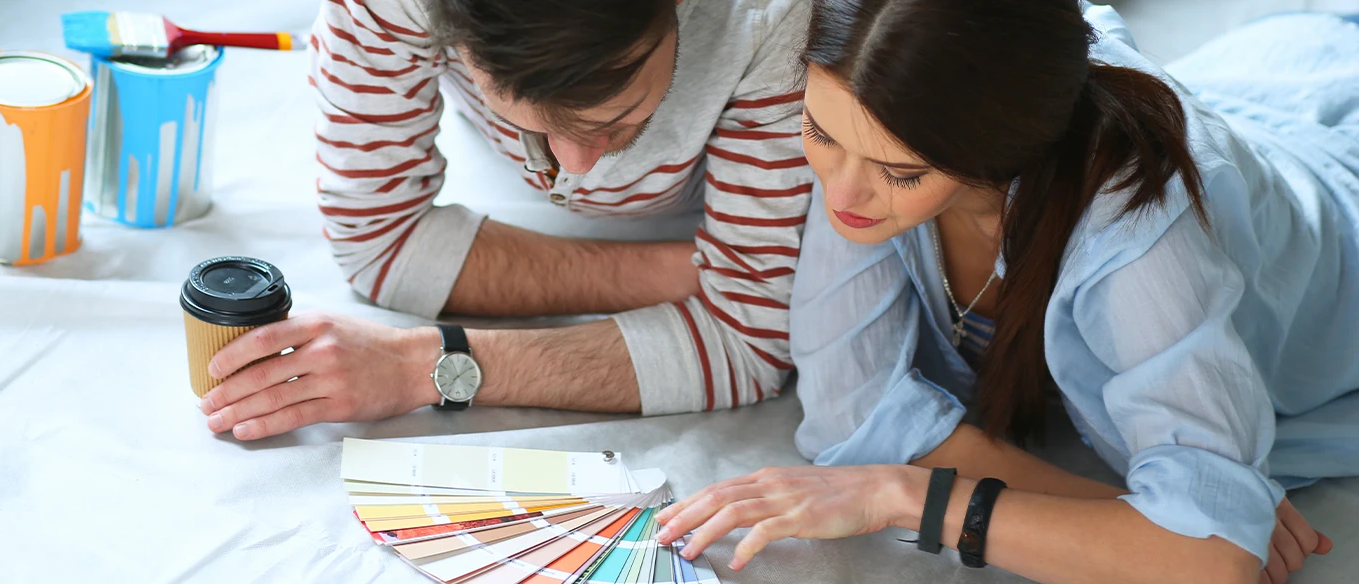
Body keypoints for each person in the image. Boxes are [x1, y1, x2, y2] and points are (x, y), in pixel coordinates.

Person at [653, 2, 1359, 583]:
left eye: (901, 174)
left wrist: (907, 495)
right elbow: (853, 416)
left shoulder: (1140, 221)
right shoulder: (872, 114)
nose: (840, 193)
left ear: (1005, 146)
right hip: (1255, 97)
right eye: (817, 132)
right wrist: (1146, 522)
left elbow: (1208, 561)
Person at [194, 1, 814, 440]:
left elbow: (749, 347)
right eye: (530, 122)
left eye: (616, 122)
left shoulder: (778, 18)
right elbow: (383, 248)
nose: (576, 168)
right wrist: (702, 274)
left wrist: (423, 366)